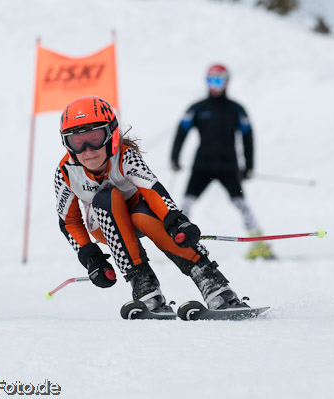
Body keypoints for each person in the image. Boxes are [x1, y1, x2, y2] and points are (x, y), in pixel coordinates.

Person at [54, 95, 250, 315]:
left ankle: (210, 280)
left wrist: (177, 222)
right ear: (67, 144)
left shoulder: (125, 156)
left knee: (143, 214)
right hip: (104, 224)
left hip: (141, 214)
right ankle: (143, 285)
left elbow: (152, 190)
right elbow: (69, 221)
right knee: (105, 198)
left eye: (95, 138)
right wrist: (92, 258)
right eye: (77, 142)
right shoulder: (66, 172)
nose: (88, 150)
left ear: (111, 134)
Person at [170, 63, 274, 260]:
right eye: (211, 80)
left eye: (219, 81)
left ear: (227, 82)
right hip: (202, 165)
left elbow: (248, 137)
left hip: (228, 167)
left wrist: (249, 166)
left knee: (241, 203)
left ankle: (260, 244)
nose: (215, 85)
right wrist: (175, 158)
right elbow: (181, 131)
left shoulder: (236, 109)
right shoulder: (198, 108)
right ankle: (175, 242)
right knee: (186, 204)